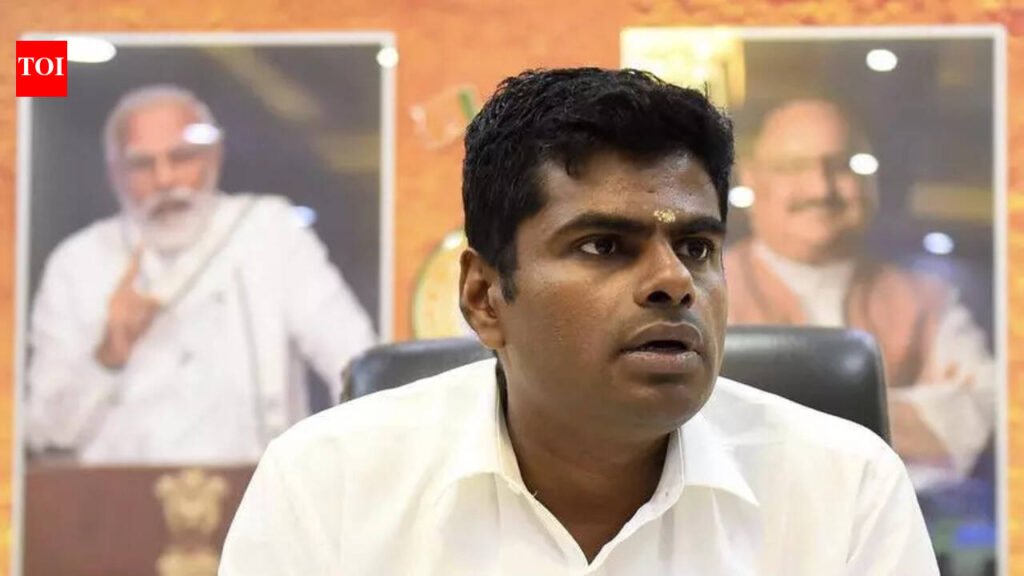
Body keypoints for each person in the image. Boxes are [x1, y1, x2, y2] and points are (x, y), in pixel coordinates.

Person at [220, 68, 938, 574]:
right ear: (484, 296)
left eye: (696, 247)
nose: (673, 282)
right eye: (604, 246)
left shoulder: (843, 487)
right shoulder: (328, 484)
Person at [26, 85, 378, 465]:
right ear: (115, 174)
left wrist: (340, 464)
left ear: (213, 157)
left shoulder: (270, 231)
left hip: (257, 489)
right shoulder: (77, 263)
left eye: (181, 157)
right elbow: (44, 434)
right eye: (142, 164)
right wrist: (108, 354)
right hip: (117, 496)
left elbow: (357, 363)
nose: (164, 180)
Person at [727, 99, 995, 490]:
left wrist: (785, 413)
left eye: (842, 166)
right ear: (752, 179)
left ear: (872, 184)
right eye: (794, 167)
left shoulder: (928, 299)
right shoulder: (706, 290)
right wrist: (902, 416)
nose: (821, 188)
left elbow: (988, 409)